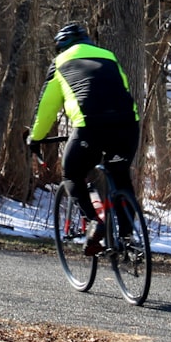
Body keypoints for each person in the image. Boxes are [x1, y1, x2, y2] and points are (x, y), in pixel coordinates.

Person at [27, 23, 140, 255]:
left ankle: (93, 222)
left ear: (61, 46)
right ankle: (128, 237)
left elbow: (46, 109)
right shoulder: (109, 56)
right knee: (120, 175)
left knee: (71, 173)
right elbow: (124, 88)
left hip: (90, 126)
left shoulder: (60, 63)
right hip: (128, 125)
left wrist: (35, 138)